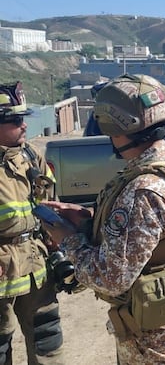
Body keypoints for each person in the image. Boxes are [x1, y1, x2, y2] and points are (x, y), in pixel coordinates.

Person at [39, 74, 165, 364]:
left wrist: (67, 238)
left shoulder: (144, 190)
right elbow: (162, 232)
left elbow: (111, 279)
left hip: (155, 327)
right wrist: (89, 219)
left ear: (113, 124)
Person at [0, 82, 65, 364]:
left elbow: (50, 205)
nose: (24, 125)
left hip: (35, 262)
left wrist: (59, 247)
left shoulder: (31, 156)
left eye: (23, 118)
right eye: (15, 120)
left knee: (46, 336)